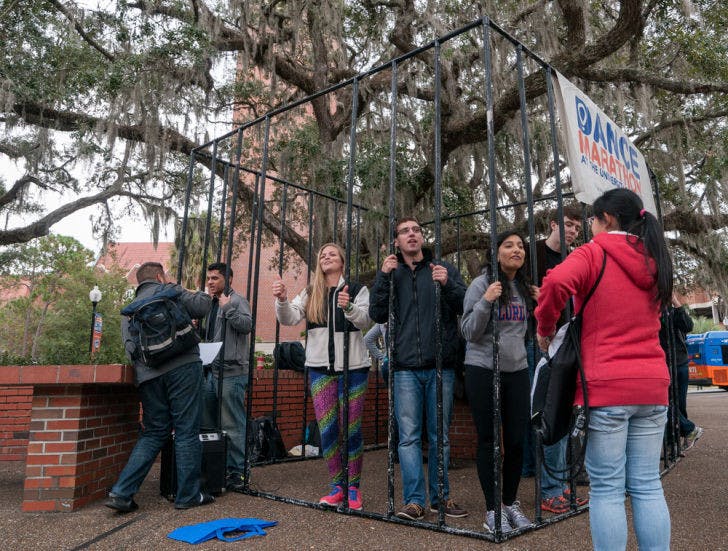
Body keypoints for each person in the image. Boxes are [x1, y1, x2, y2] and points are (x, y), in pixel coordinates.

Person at [536, 188, 673, 551]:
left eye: (591, 220)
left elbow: (554, 283)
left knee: (608, 489)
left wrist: (545, 328)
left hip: (607, 385)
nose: (589, 228)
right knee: (646, 483)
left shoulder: (595, 252)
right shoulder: (654, 256)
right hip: (653, 386)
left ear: (607, 219)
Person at [369, 217, 468, 521]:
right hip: (404, 368)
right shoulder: (391, 271)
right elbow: (376, 312)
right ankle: (414, 501)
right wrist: (384, 277)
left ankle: (441, 498)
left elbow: (465, 304)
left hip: (441, 366)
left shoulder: (443, 269)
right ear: (396, 242)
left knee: (440, 436)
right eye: (404, 232)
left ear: (422, 238)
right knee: (408, 437)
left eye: (416, 230)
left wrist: (447, 284)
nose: (411, 235)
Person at [105, 262, 214, 512]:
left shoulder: (129, 312)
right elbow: (203, 305)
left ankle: (122, 493)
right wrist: (180, 287)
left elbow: (130, 348)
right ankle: (188, 496)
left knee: (154, 432)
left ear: (138, 282)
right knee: (187, 430)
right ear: (159, 275)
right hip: (183, 367)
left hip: (148, 377)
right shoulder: (170, 291)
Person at [272, 243, 372, 511]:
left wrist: (348, 306)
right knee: (328, 431)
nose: (326, 257)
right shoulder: (310, 292)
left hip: (353, 368)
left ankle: (353, 488)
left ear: (342, 261)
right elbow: (290, 318)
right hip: (319, 369)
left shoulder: (356, 288)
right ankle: (337, 486)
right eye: (323, 255)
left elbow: (365, 321)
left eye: (332, 254)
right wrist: (281, 299)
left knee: (351, 430)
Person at [461, 230, 537, 533]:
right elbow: (468, 331)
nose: (516, 250)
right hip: (482, 369)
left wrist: (541, 304)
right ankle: (493, 510)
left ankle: (509, 503)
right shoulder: (481, 284)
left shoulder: (523, 287)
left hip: (517, 370)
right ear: (497, 252)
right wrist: (485, 301)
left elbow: (531, 332)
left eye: (520, 246)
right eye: (509, 245)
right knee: (489, 440)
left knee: (517, 441)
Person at [528, 204, 589, 514]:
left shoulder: (576, 257)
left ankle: (556, 484)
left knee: (560, 411)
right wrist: (537, 301)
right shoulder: (532, 252)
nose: (571, 231)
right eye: (566, 225)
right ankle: (548, 487)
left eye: (576, 228)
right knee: (544, 411)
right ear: (552, 224)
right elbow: (516, 288)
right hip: (536, 339)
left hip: (566, 342)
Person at [201, 262, 253, 493]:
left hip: (232, 373)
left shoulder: (236, 301)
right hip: (210, 372)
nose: (210, 282)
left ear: (228, 279)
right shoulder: (209, 305)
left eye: (215, 278)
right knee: (209, 424)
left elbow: (246, 325)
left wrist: (228, 308)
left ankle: (238, 472)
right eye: (209, 278)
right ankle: (216, 469)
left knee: (232, 424)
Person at [660, 295, 703, 451]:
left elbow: (688, 325)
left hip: (680, 362)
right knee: (665, 402)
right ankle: (687, 432)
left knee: (679, 404)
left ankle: (677, 442)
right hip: (663, 363)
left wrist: (675, 302)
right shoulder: (651, 310)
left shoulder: (673, 311)